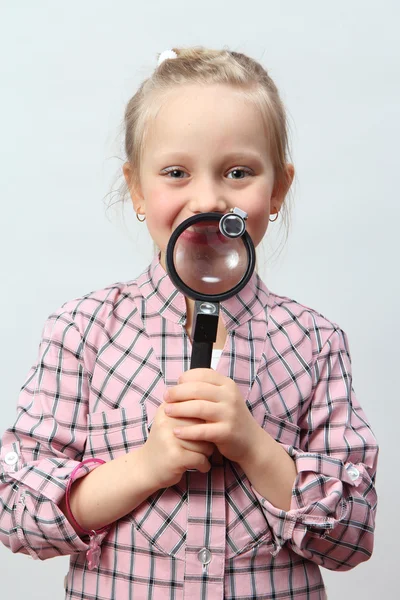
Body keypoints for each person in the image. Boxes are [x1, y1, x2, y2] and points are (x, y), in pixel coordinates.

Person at [0, 47, 378, 600]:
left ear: (277, 190)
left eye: (239, 172)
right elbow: (15, 511)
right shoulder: (81, 331)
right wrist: (146, 466)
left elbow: (352, 537)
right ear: (136, 188)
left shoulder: (315, 343)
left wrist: (254, 447)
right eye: (176, 172)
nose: (207, 198)